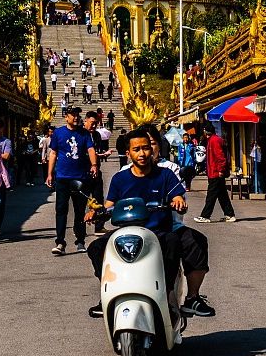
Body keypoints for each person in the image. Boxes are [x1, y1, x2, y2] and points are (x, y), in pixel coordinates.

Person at [86, 127, 216, 319]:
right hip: (126, 232)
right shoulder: (120, 178)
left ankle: (173, 293)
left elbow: (178, 196)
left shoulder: (165, 175)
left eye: (146, 148)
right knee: (96, 247)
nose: (142, 153)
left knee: (182, 241)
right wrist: (97, 213)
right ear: (128, 153)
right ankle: (109, 293)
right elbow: (109, 206)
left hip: (159, 232)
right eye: (136, 149)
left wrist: (178, 201)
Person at [47, 108, 98, 255]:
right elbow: (54, 153)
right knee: (61, 210)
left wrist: (94, 165)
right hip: (62, 177)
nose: (76, 117)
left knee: (79, 210)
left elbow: (90, 149)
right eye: (73, 115)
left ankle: (81, 240)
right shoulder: (58, 133)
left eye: (78, 115)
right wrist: (50, 173)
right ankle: (60, 242)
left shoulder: (84, 133)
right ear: (66, 117)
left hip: (80, 177)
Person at [191, 124, 236, 223]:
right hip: (214, 172)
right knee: (222, 195)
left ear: (206, 131)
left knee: (211, 196)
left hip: (215, 173)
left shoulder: (214, 141)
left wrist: (220, 170)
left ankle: (205, 216)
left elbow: (220, 157)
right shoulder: (213, 140)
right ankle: (229, 214)